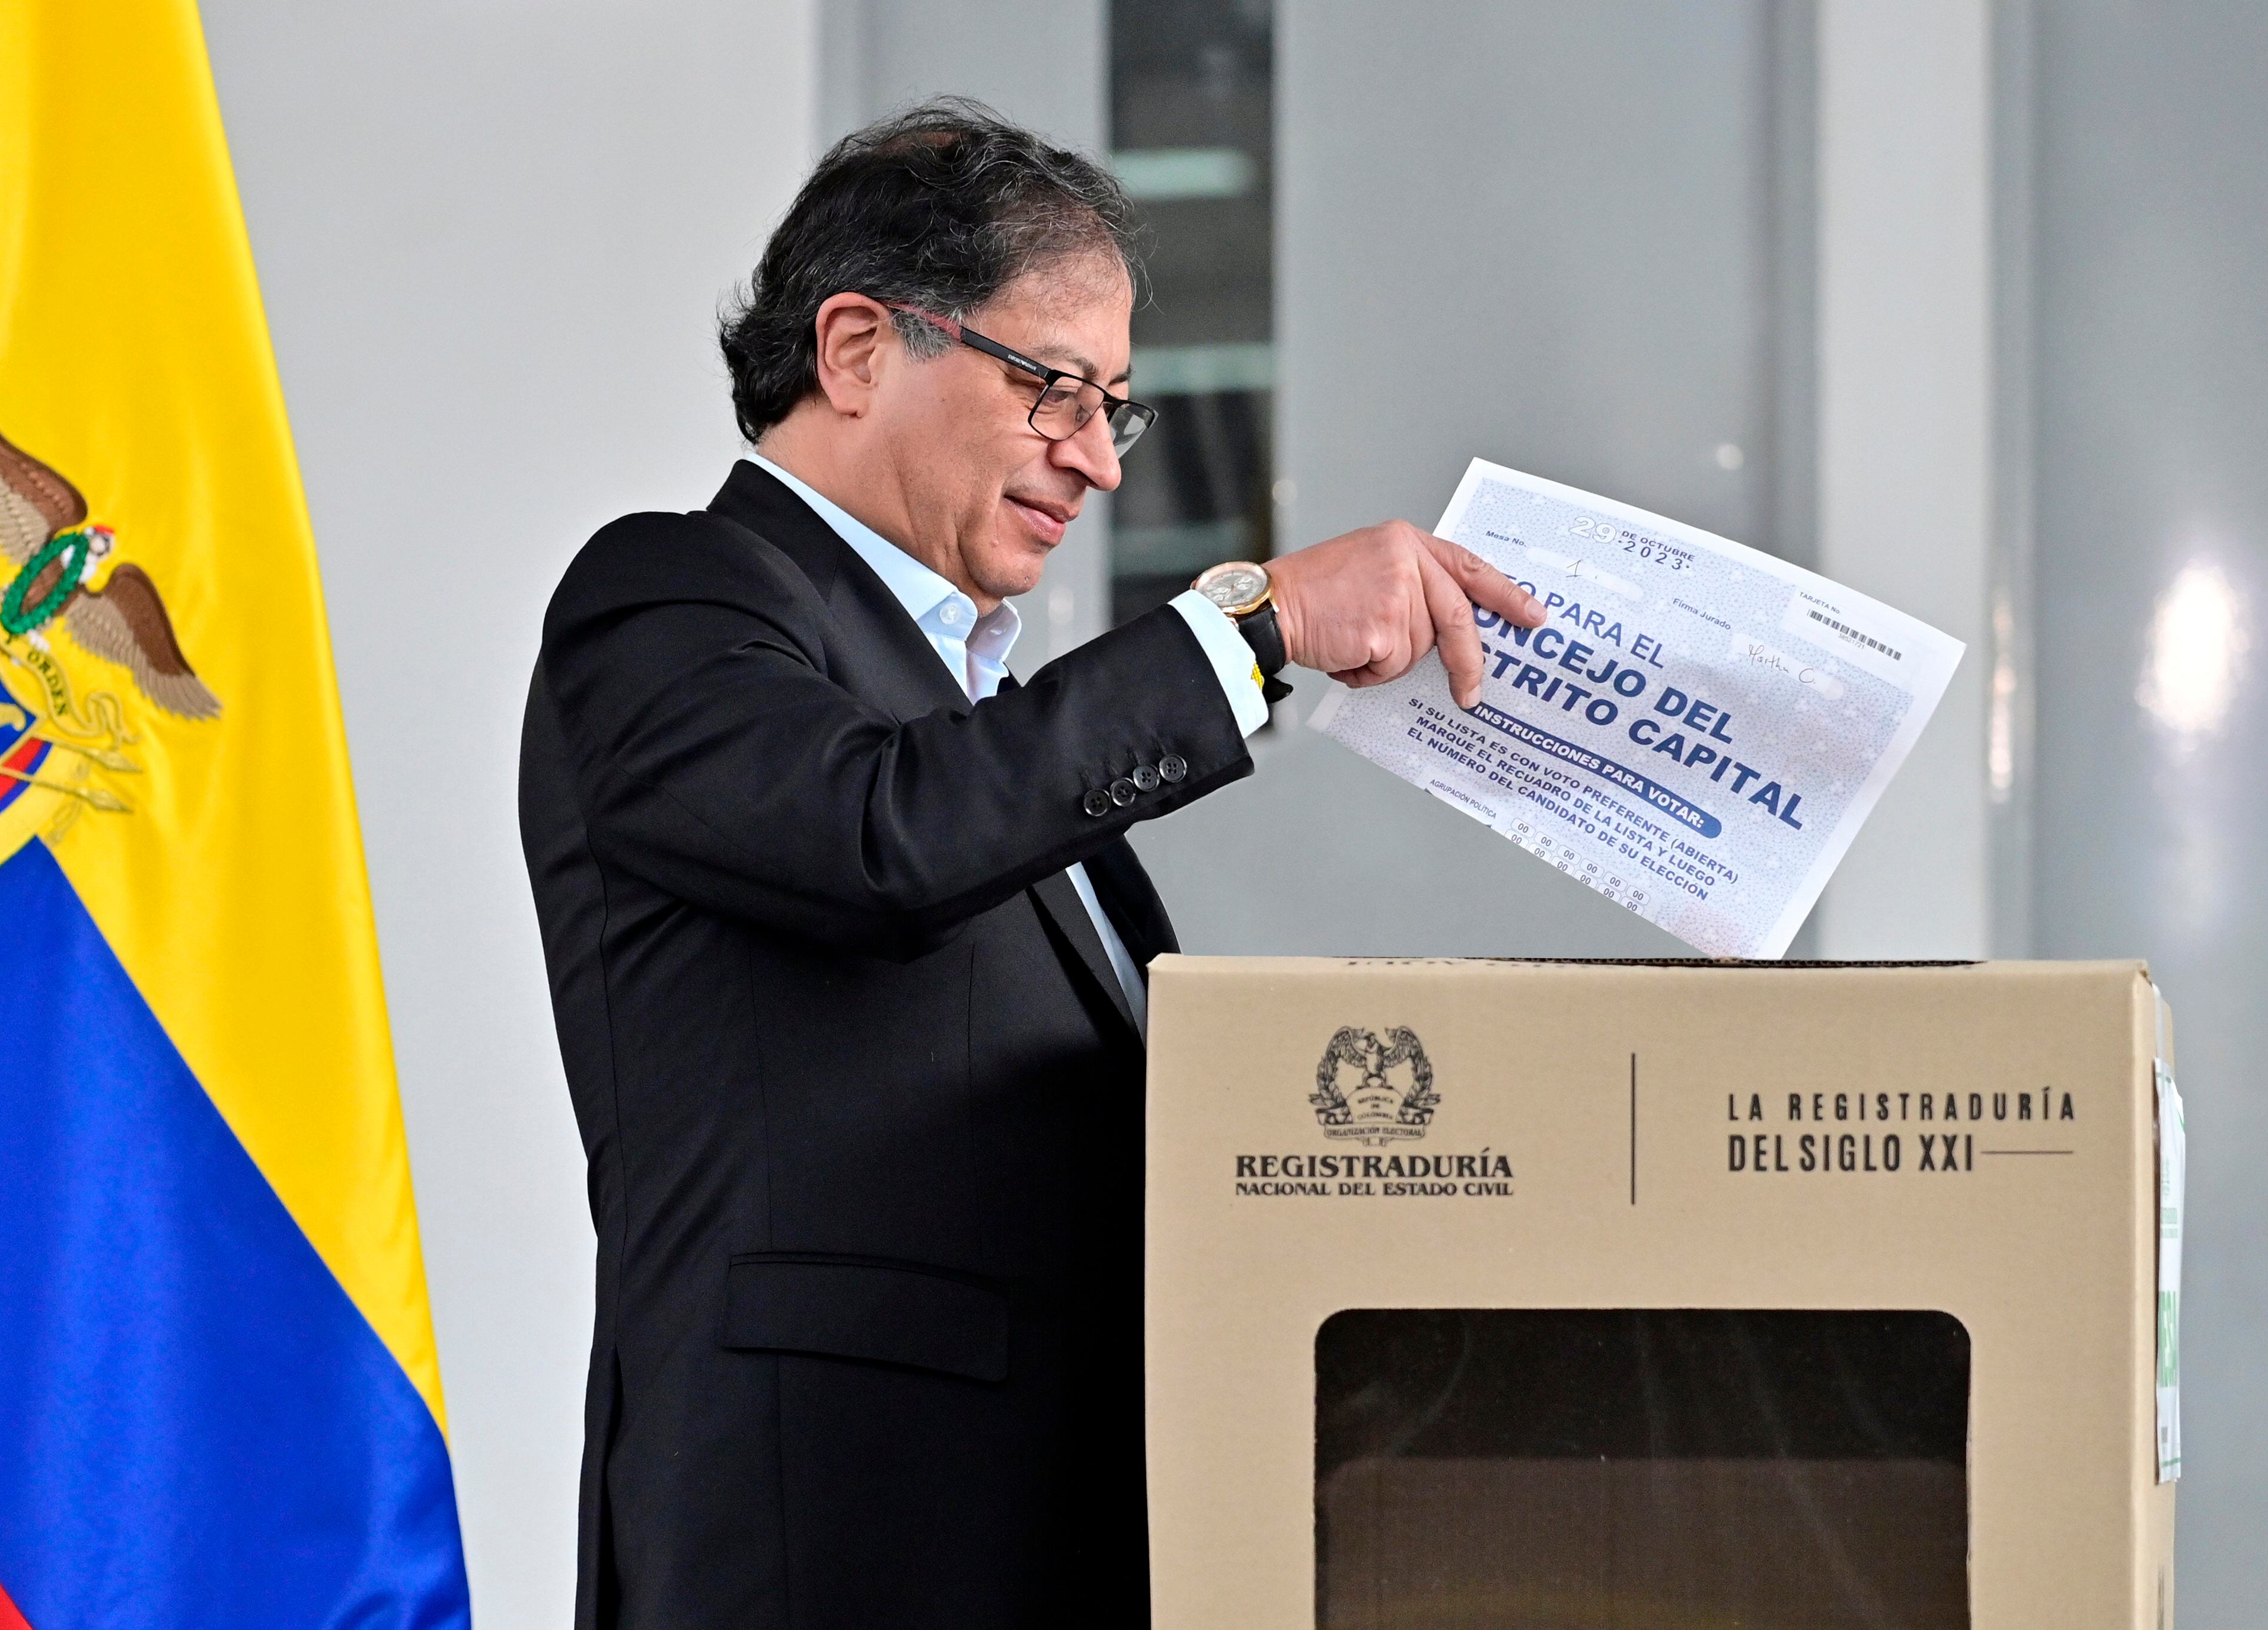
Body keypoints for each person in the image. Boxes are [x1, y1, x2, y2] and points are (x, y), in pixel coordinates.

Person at [518, 98, 1542, 1630]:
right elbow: (881, 840)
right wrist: (1253, 632)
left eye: (1113, 409)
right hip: (835, 1528)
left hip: (1045, 1515)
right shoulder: (671, 596)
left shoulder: (965, 703)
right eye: (1055, 389)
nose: (1094, 462)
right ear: (859, 348)